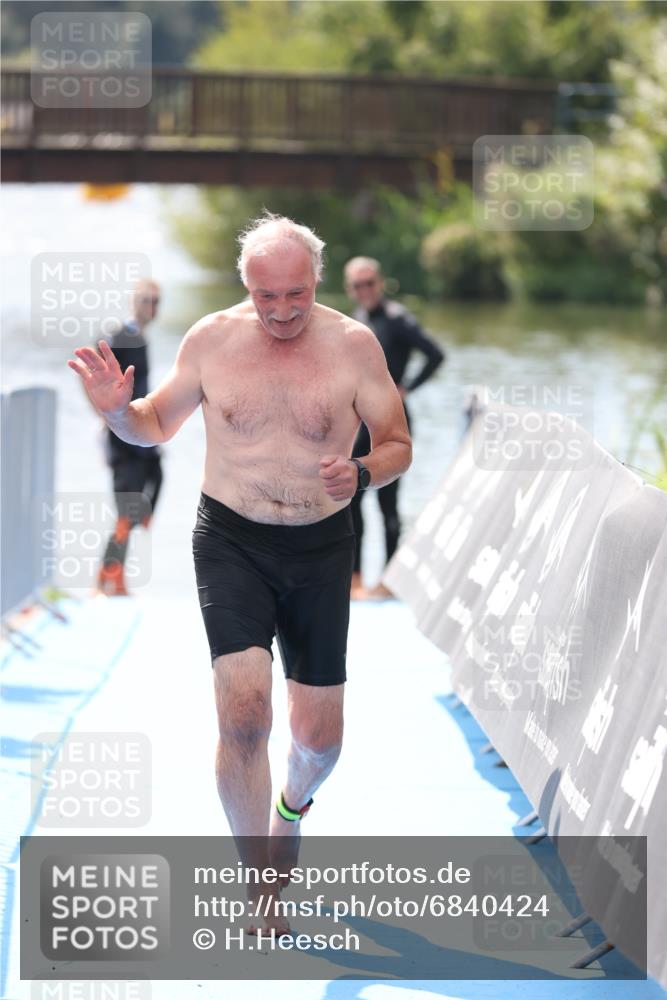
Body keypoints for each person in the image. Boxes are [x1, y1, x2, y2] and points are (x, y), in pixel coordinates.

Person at [67, 213, 411, 935]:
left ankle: (292, 806)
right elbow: (150, 425)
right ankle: (260, 883)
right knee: (245, 714)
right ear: (245, 286)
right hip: (230, 541)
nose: (281, 311)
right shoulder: (211, 340)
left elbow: (397, 443)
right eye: (266, 296)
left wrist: (361, 471)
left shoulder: (354, 345)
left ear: (316, 279)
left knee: (320, 739)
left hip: (321, 547)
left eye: (295, 294)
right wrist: (116, 414)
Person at [344, 257, 445, 599]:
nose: (364, 290)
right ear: (350, 289)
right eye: (357, 285)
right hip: (360, 423)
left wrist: (407, 388)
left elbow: (435, 354)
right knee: (352, 498)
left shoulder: (397, 318)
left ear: (381, 283)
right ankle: (356, 577)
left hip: (391, 418)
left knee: (388, 502)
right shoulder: (357, 320)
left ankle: (389, 580)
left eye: (369, 283)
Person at [95, 278, 163, 596]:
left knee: (153, 483)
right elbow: (92, 368)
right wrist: (105, 416)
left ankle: (111, 573)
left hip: (140, 432)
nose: (152, 307)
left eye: (157, 301)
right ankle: (110, 578)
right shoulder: (122, 334)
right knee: (127, 507)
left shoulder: (141, 338)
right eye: (147, 300)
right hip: (122, 437)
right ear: (134, 302)